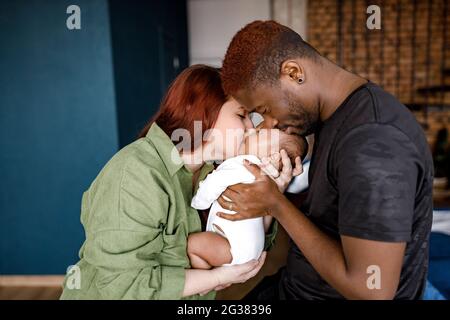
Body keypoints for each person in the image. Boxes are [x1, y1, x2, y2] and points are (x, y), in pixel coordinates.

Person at [217, 20, 433, 300]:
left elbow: (371, 291)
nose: (269, 124)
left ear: (293, 73)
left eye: (266, 109)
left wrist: (276, 204)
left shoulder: (373, 143)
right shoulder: (340, 115)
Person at [60, 65, 290, 300]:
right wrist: (217, 278)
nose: (251, 129)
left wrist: (273, 194)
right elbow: (121, 285)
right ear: (204, 113)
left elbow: (243, 244)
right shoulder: (134, 175)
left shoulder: (214, 173)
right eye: (242, 116)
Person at [188, 130, 307, 268]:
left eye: (261, 133)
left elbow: (216, 181)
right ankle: (207, 276)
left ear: (273, 156)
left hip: (233, 246)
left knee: (193, 245)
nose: (251, 131)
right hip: (247, 247)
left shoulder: (245, 166)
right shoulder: (268, 180)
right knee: (198, 247)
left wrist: (198, 202)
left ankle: (205, 276)